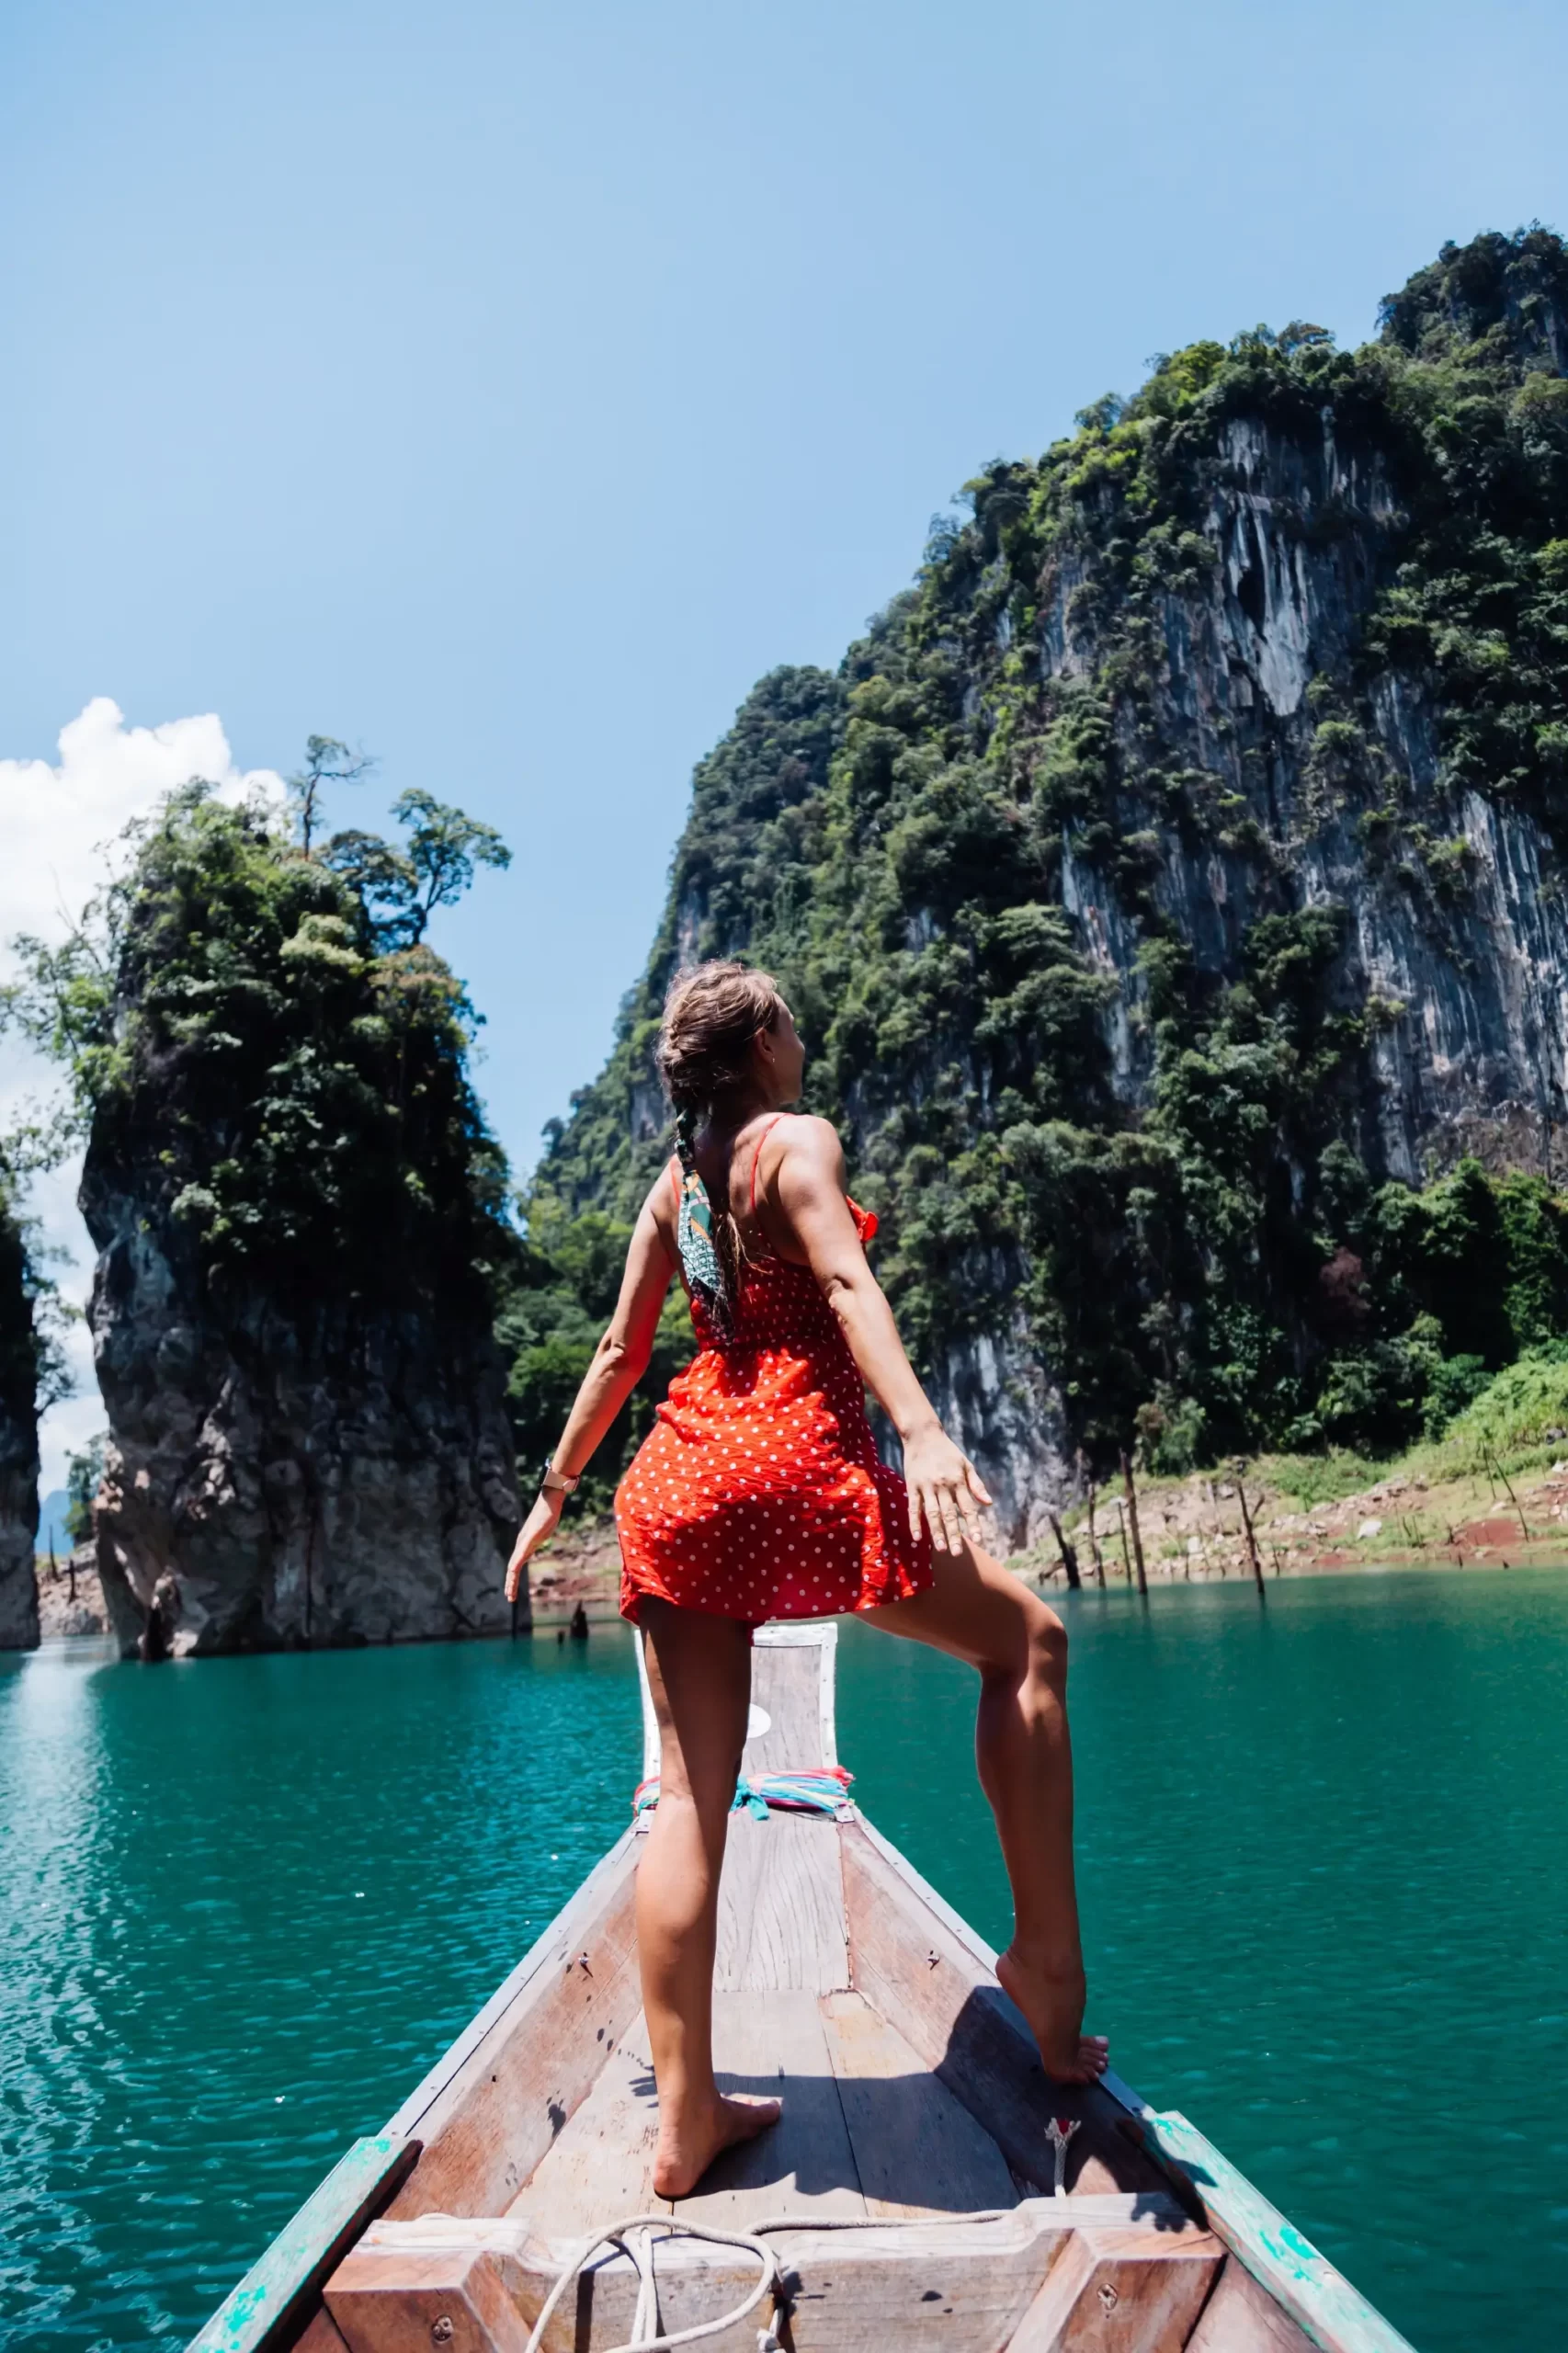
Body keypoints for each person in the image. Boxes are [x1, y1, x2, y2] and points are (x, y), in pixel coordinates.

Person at [506, 961, 1105, 2197]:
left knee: (688, 1801)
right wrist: (926, 1432)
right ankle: (1044, 1968)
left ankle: (685, 2121)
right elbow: (841, 1281)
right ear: (764, 1040)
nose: (802, 1026)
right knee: (1025, 1645)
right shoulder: (795, 1146)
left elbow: (623, 1350)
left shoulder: (676, 1185)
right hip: (797, 1477)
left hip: (677, 1486)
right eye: (789, 1013)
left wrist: (552, 1493)